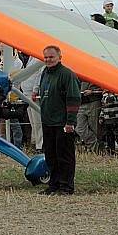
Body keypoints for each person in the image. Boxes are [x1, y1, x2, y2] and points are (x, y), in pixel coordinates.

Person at [34, 45, 81, 195]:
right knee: (51, 155)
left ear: (59, 57)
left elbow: (73, 98)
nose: (48, 60)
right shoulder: (44, 73)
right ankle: (53, 184)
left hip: (62, 123)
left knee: (64, 156)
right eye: (46, 57)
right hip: (48, 122)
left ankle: (66, 186)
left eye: (51, 57)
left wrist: (70, 122)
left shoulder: (67, 75)